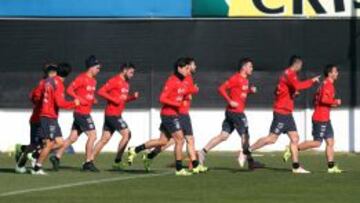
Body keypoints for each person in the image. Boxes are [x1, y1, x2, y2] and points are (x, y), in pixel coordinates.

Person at [283, 64, 343, 173]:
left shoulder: (325, 84)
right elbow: (324, 100)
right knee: (317, 142)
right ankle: (293, 149)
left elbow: (319, 101)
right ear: (329, 73)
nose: (337, 73)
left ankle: (331, 167)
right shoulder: (328, 85)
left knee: (330, 142)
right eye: (335, 71)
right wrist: (335, 102)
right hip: (320, 118)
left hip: (325, 118)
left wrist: (332, 104)